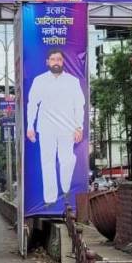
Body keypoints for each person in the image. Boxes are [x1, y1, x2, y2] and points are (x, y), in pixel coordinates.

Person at [26, 48, 86, 206]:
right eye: (53, 59)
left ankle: (65, 188)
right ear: (47, 62)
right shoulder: (39, 81)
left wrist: (79, 127)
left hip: (68, 128)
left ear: (63, 61)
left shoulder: (72, 81)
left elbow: (79, 106)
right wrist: (29, 126)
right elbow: (32, 104)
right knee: (48, 162)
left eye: (59, 59)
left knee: (67, 160)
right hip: (46, 128)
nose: (56, 62)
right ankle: (50, 199)